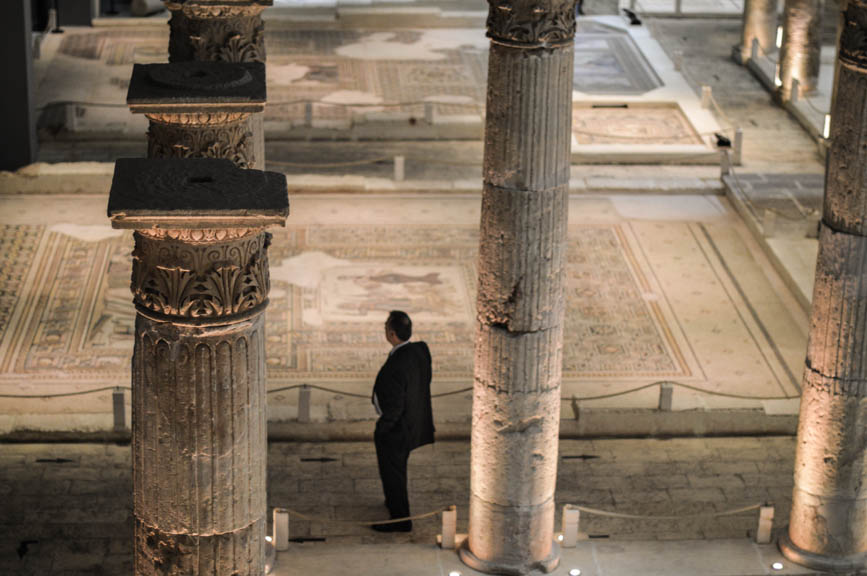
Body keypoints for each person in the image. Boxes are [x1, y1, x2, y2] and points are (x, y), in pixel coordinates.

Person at [371, 310, 434, 532]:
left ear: (391, 333)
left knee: (393, 473)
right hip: (413, 423)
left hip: (397, 430)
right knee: (395, 472)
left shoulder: (396, 366)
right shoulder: (420, 351)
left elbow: (395, 406)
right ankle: (392, 502)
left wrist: (383, 428)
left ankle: (400, 520)